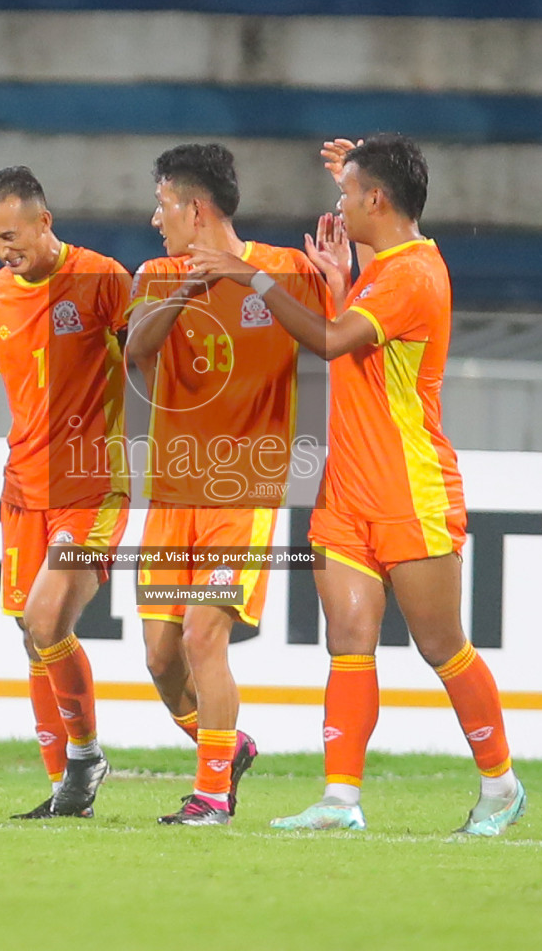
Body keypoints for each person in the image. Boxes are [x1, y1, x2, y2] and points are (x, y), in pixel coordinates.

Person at [186, 134, 526, 836]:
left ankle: (501, 788)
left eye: (347, 193)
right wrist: (342, 276)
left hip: (410, 488)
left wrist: (252, 277)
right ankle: (341, 800)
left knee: (441, 646)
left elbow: (334, 341)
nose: (338, 206)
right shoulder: (386, 267)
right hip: (348, 489)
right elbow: (357, 331)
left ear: (377, 200)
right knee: (348, 639)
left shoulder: (413, 274)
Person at [126, 143, 341, 825]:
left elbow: (338, 329)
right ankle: (228, 747)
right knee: (162, 660)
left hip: (244, 495)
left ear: (195, 208)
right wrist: (186, 292)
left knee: (200, 637)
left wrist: (249, 277)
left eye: (163, 205)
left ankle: (212, 796)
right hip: (173, 493)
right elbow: (135, 350)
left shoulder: (281, 270)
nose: (156, 218)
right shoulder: (157, 273)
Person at [0, 166, 132, 819]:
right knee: (33, 636)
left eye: (10, 235)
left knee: (47, 620)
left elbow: (152, 361)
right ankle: (69, 789)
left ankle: (85, 757)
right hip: (23, 488)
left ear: (43, 221)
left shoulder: (102, 278)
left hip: (90, 485)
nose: (3, 250)